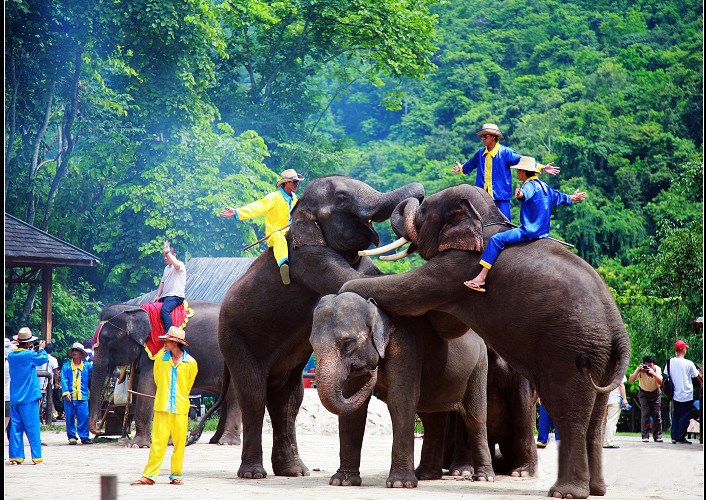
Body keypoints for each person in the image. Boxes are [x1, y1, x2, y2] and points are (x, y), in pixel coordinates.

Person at [463, 156, 586, 291]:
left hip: (529, 231)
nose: (517, 173)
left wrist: (521, 195)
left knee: (496, 239)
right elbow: (558, 197)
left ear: (523, 171)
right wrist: (573, 197)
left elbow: (526, 193)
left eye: (518, 170)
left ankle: (481, 278)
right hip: (543, 232)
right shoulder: (544, 186)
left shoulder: (529, 185)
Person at [131, 326, 198, 486]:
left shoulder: (190, 363)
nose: (164, 343)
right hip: (162, 407)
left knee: (179, 444)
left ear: (175, 343)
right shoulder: (161, 359)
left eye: (167, 341)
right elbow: (158, 380)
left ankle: (176, 475)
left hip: (180, 408)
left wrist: (178, 397)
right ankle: (149, 475)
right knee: (158, 443)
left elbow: (188, 385)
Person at [452, 123, 560, 220]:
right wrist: (461, 168)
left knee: (505, 223)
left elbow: (522, 160)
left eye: (485, 136)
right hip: (482, 195)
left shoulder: (505, 153)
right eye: (482, 136)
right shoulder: (480, 153)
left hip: (500, 196)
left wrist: (542, 167)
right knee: (477, 223)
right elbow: (470, 165)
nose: (482, 139)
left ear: (493, 137)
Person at [220, 168, 304, 285]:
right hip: (275, 234)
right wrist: (237, 212)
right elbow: (257, 207)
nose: (297, 184)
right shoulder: (274, 197)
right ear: (286, 183)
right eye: (294, 182)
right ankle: (284, 266)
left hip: (292, 233)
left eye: (298, 182)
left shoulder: (295, 199)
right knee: (280, 239)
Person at [7, 327, 48, 464]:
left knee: (15, 428)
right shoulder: (29, 355)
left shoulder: (12, 356)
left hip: (15, 397)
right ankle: (36, 456)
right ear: (29, 343)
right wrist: (41, 348)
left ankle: (16, 456)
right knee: (32, 427)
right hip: (28, 397)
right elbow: (43, 358)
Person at [665, 340, 702, 444]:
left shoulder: (670, 362)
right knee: (685, 416)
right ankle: (681, 437)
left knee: (676, 415)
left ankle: (674, 436)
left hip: (675, 393)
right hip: (687, 394)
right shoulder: (689, 363)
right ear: (683, 350)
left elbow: (666, 375)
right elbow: (696, 375)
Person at [60, 342, 93, 445]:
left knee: (84, 416)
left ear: (81, 354)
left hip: (82, 396)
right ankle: (72, 437)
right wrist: (66, 392)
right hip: (70, 396)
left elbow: (96, 371)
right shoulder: (66, 366)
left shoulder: (87, 366)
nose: (75, 352)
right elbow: (64, 379)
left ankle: (84, 437)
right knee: (69, 417)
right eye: (73, 350)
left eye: (77, 351)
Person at [627, 355, 663, 443]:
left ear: (653, 364)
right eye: (647, 365)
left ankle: (658, 436)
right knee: (645, 415)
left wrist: (653, 373)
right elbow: (630, 380)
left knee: (656, 415)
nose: (648, 367)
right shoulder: (640, 369)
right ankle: (645, 436)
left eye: (650, 365)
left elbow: (660, 382)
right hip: (644, 393)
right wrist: (638, 371)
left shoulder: (657, 369)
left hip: (655, 393)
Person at [153, 240, 186, 335]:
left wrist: (168, 252)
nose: (165, 258)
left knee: (164, 310)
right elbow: (162, 282)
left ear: (173, 255)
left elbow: (176, 265)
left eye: (167, 256)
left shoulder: (180, 265)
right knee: (152, 309)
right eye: (164, 256)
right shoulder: (166, 268)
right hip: (166, 297)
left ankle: (170, 333)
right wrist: (157, 295)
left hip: (175, 297)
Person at [603, 375, 629, 448]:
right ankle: (607, 442)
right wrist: (624, 399)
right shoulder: (619, 370)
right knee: (611, 421)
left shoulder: (604, 370)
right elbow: (621, 385)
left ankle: (600, 441)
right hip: (614, 399)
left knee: (603, 421)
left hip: (603, 399)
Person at [37, 343, 59, 423]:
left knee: (40, 400)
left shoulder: (37, 357)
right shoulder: (52, 359)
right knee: (46, 400)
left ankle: (46, 415)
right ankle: (48, 416)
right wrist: (56, 383)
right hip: (46, 383)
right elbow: (56, 372)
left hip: (36, 382)